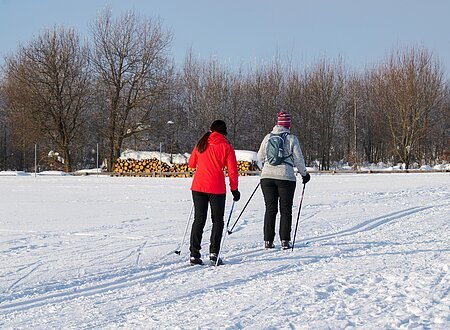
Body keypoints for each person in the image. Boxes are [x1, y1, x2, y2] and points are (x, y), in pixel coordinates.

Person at [188, 120, 240, 265]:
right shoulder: (226, 146)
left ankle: (194, 254)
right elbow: (232, 171)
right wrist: (234, 189)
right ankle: (214, 253)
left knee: (199, 219)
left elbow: (191, 163)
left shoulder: (201, 143)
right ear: (224, 131)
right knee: (217, 220)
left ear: (211, 129)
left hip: (198, 186)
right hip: (216, 188)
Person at [257, 111, 310, 250]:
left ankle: (268, 241)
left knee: (270, 209)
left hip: (267, 177)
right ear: (288, 125)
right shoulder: (292, 138)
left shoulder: (268, 137)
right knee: (285, 209)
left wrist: (266, 169)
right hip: (286, 177)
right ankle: (285, 240)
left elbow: (259, 157)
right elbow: (298, 159)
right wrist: (304, 174)